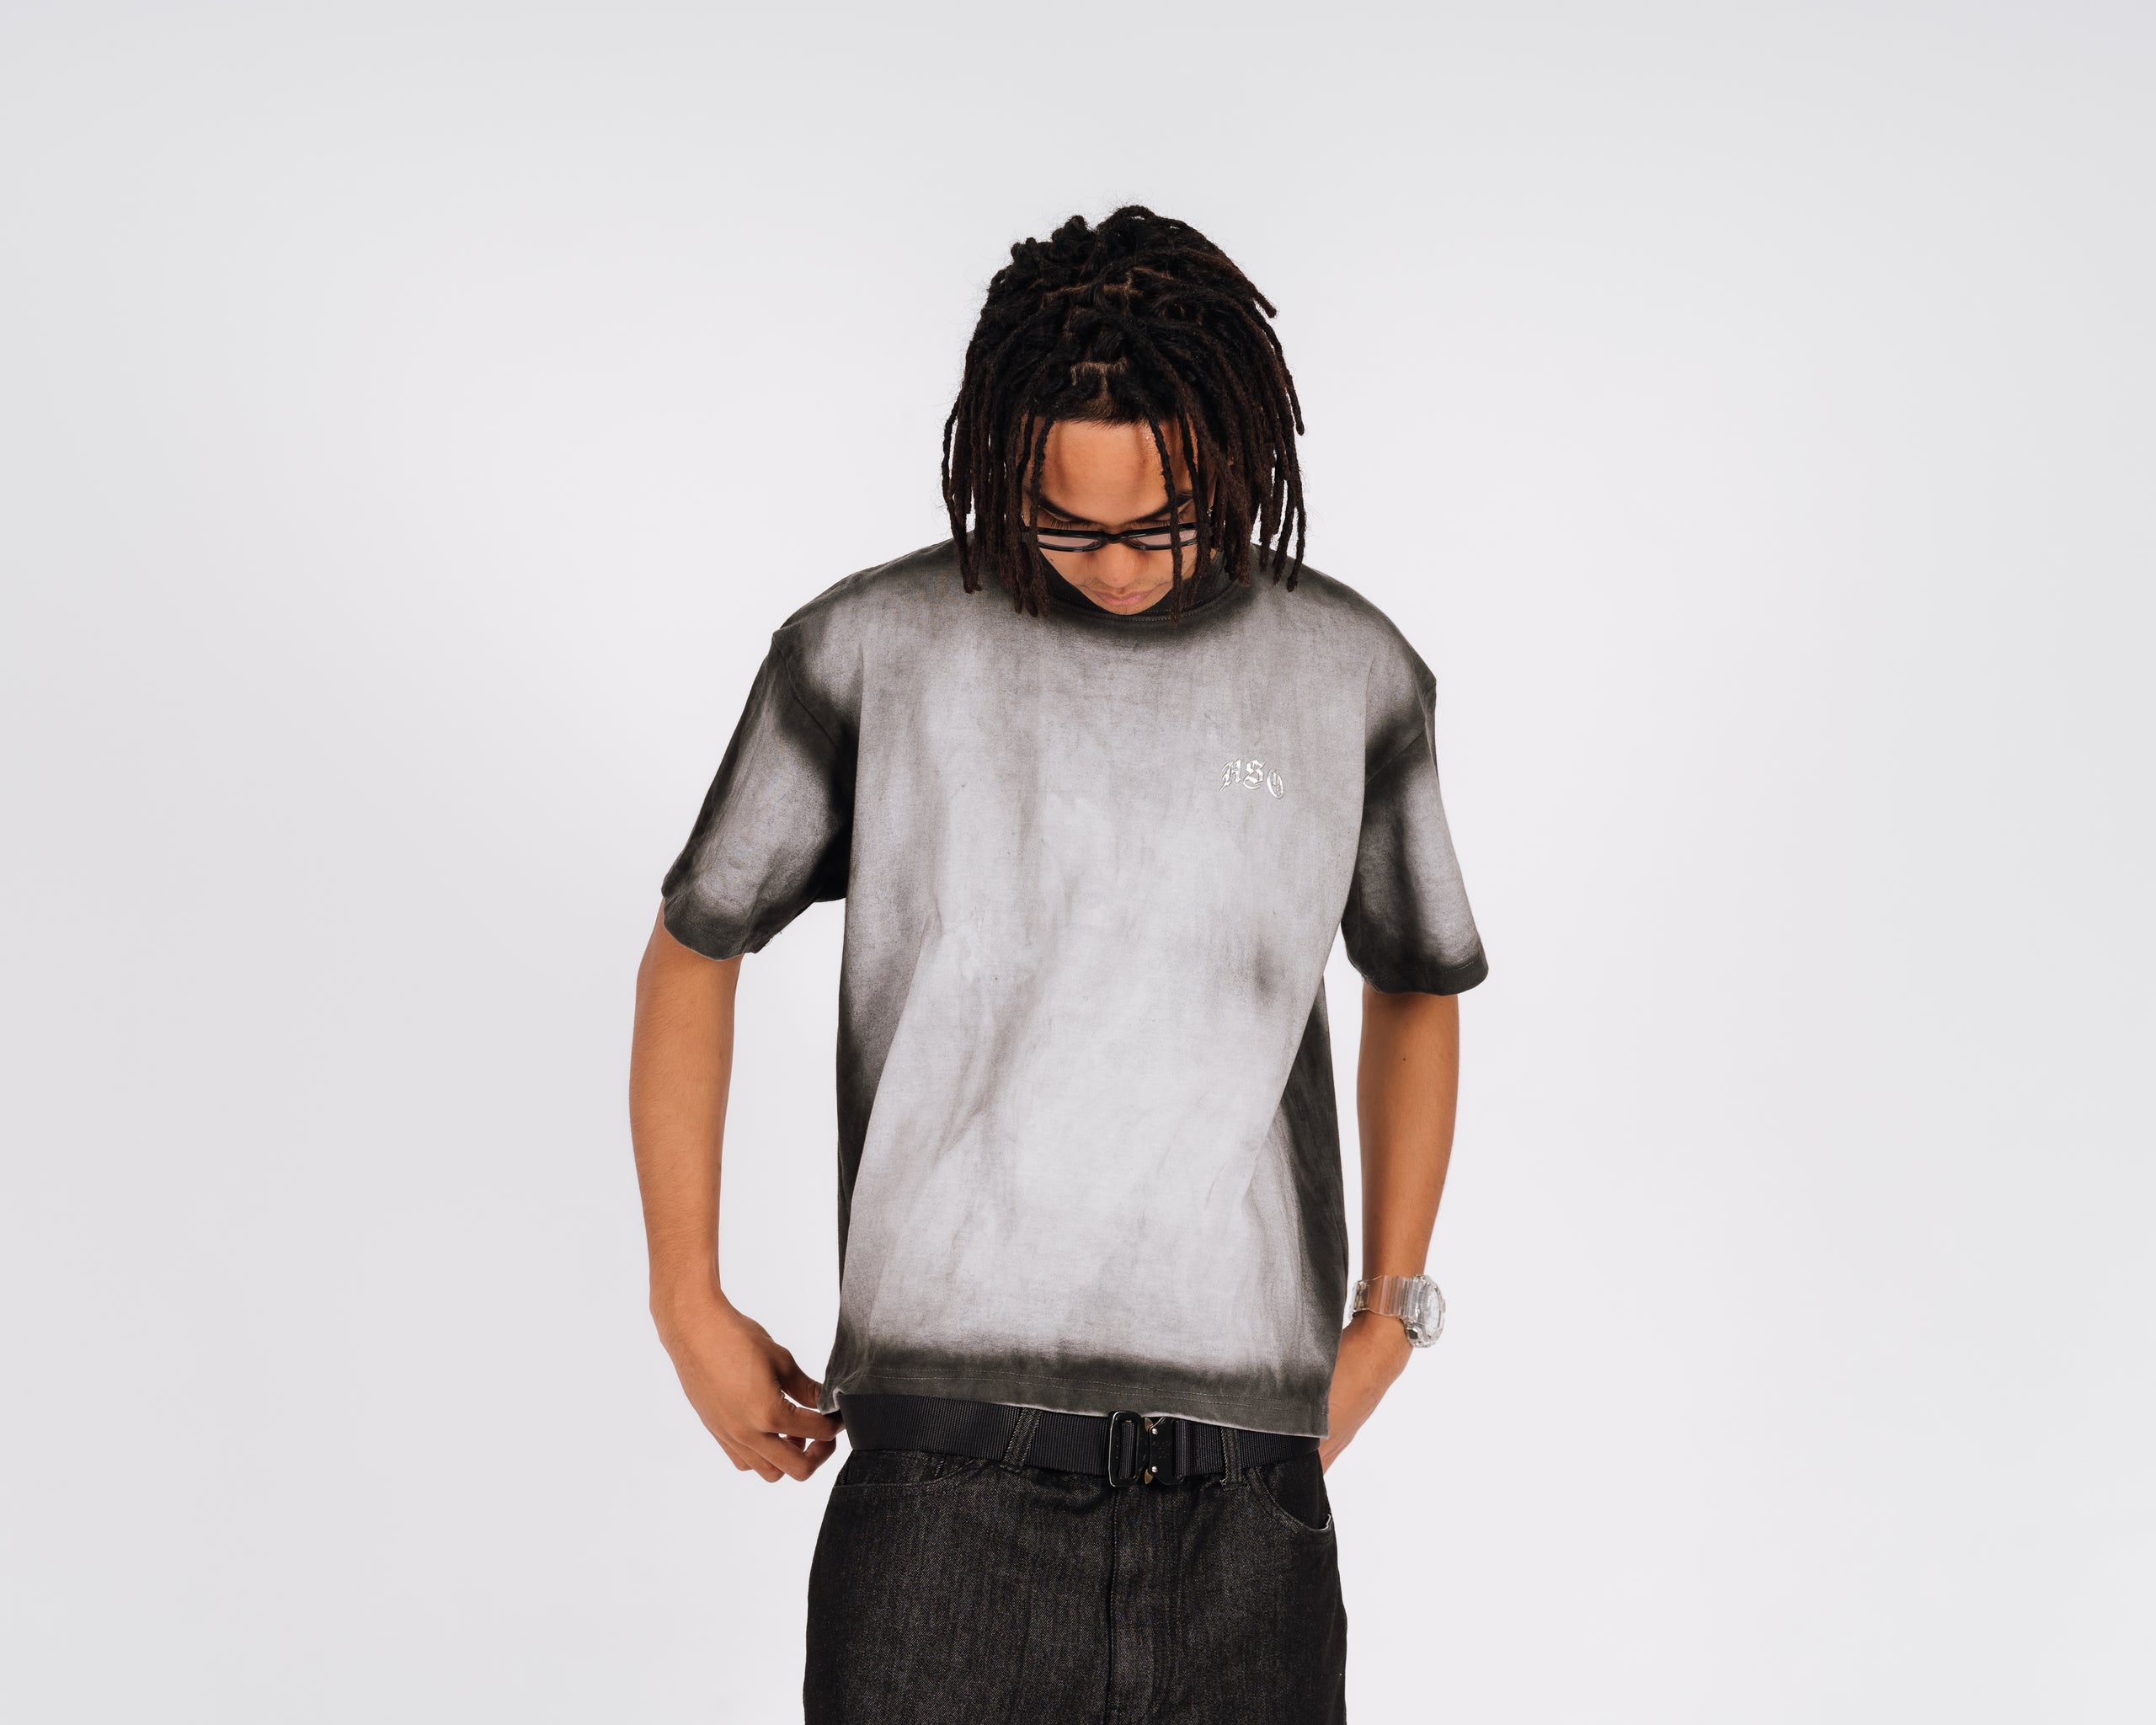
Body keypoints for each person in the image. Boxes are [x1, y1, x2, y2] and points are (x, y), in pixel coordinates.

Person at [627, 205, 1487, 1724]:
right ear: (996, 470)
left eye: (1166, 522)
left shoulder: (1346, 676)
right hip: (941, 1486)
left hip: (1247, 1504)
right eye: (1064, 524)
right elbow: (697, 944)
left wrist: (1390, 1314)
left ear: (1239, 461)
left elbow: (1415, 977)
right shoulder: (874, 648)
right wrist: (686, 1301)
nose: (1119, 566)